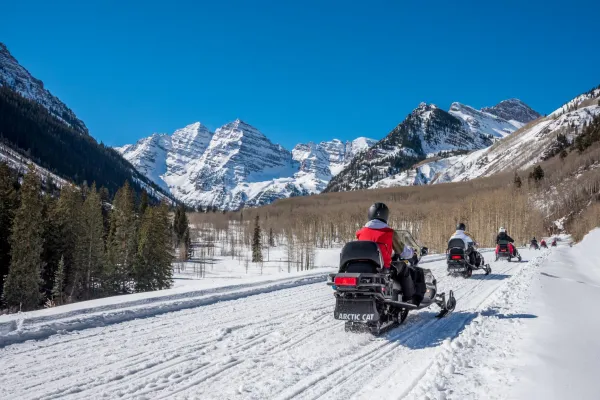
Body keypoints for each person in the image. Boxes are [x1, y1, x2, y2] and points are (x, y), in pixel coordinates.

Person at [356, 203, 420, 304]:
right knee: (403, 267)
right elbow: (404, 253)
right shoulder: (389, 233)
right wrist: (412, 252)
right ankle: (409, 297)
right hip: (382, 268)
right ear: (386, 216)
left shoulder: (361, 232)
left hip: (362, 267)